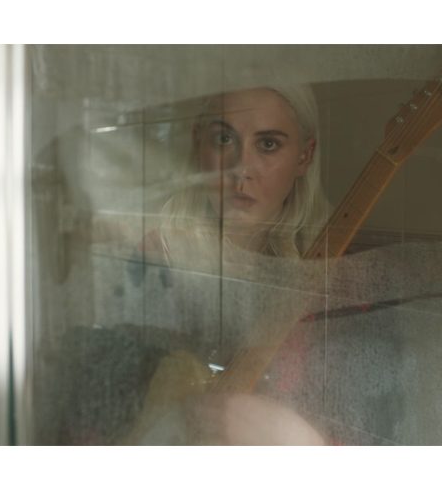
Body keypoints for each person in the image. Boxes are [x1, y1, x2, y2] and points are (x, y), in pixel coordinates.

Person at [130, 84, 330, 445]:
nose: (241, 169)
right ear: (198, 143)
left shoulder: (331, 270)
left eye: (267, 144)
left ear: (305, 156)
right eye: (223, 139)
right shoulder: (156, 258)